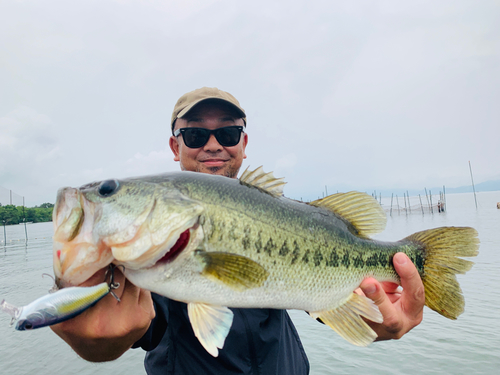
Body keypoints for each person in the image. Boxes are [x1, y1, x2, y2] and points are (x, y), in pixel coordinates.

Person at [52, 87, 425, 374]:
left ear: (244, 145)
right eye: (195, 135)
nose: (213, 145)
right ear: (175, 145)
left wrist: (375, 319)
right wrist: (83, 322)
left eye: (228, 134)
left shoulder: (280, 216)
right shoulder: (143, 261)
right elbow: (121, 333)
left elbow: (317, 296)